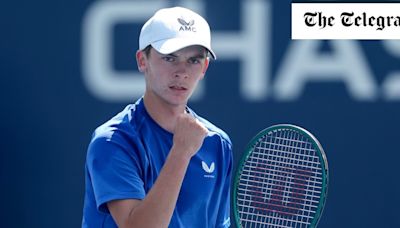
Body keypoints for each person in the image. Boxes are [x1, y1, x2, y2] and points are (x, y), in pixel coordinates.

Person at [82, 6, 233, 228]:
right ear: (142, 60)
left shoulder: (217, 143)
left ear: (204, 68)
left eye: (194, 61)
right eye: (170, 58)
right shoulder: (112, 141)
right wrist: (181, 152)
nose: (182, 72)